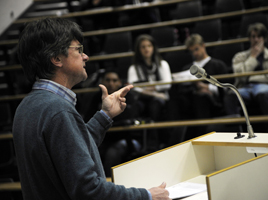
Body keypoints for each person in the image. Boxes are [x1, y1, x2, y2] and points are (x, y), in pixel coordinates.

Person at [13, 18, 170, 200]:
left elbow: (72, 151)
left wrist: (105, 115)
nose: (85, 56)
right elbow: (88, 190)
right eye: (78, 50)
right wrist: (146, 196)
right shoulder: (58, 110)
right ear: (56, 58)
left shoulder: (27, 106)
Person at [166, 33, 228, 143]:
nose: (195, 53)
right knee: (173, 98)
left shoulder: (218, 65)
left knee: (201, 98)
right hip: (189, 100)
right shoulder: (187, 68)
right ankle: (173, 138)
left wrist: (205, 86)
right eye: (192, 51)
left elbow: (225, 88)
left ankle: (202, 136)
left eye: (196, 49)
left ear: (203, 45)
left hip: (211, 102)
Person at [82, 68, 143, 177]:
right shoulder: (97, 97)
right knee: (88, 151)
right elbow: (88, 119)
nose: (111, 83)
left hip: (126, 139)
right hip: (103, 139)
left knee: (112, 153)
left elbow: (130, 119)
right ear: (102, 81)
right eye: (108, 80)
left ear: (120, 82)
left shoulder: (128, 96)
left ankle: (108, 185)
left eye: (114, 80)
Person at [223, 23, 268, 118]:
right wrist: (253, 57)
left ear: (265, 38)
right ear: (249, 38)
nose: (256, 40)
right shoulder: (239, 57)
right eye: (253, 36)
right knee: (230, 95)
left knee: (262, 92)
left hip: (266, 87)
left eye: (259, 36)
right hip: (245, 88)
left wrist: (251, 77)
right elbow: (241, 78)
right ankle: (235, 129)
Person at [127, 34, 172, 150]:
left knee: (155, 105)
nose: (146, 49)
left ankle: (155, 143)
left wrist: (147, 87)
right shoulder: (134, 68)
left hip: (159, 99)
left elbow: (167, 83)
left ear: (153, 47)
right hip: (143, 99)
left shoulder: (163, 64)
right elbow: (133, 87)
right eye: (143, 47)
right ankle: (135, 143)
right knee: (135, 107)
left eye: (149, 46)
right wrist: (154, 91)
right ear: (138, 49)